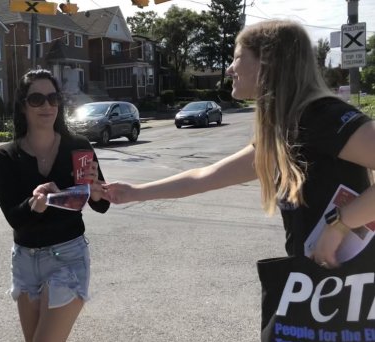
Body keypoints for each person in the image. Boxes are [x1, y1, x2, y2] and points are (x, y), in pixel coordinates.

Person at [104, 19, 375, 268]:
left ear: (267, 63)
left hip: (354, 290)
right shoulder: (284, 128)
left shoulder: (322, 115)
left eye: (237, 58)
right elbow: (204, 177)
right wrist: (134, 192)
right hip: (318, 285)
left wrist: (339, 225)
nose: (231, 69)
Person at [0, 69, 110, 342]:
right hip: (26, 263)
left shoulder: (78, 146)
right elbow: (14, 218)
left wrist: (97, 192)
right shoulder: (5, 156)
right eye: (36, 98)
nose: (47, 105)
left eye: (52, 98)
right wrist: (34, 204)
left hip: (68, 258)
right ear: (22, 105)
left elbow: (101, 204)